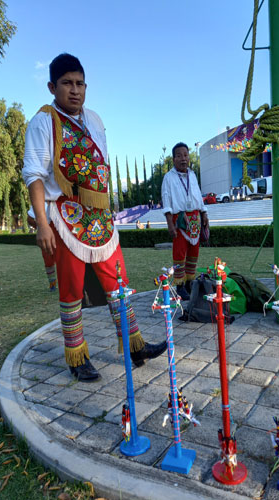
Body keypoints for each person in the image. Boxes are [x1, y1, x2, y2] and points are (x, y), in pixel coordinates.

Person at [22, 53, 166, 381]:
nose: (74, 90)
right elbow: (33, 174)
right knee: (72, 288)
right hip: (65, 215)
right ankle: (76, 355)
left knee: (119, 281)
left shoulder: (96, 119)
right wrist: (42, 223)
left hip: (100, 218)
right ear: (51, 87)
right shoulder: (44, 121)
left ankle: (134, 345)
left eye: (79, 83)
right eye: (67, 84)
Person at [161, 142, 209, 300]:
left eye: (186, 155)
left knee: (194, 253)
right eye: (179, 155)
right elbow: (166, 200)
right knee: (180, 252)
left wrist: (204, 214)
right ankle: (180, 285)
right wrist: (170, 223)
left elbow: (198, 195)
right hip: (180, 219)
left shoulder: (193, 175)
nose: (183, 158)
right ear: (174, 159)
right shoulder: (168, 177)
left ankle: (189, 282)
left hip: (195, 218)